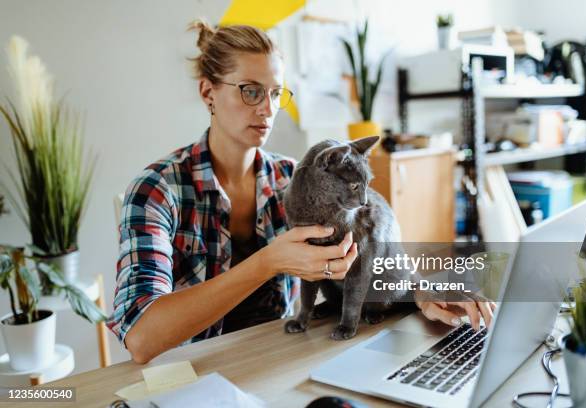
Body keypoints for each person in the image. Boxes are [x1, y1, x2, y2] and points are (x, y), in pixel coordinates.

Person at [107, 21, 495, 365]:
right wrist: (267, 262)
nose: (267, 109)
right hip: (190, 376)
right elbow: (142, 338)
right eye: (250, 91)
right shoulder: (157, 190)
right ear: (208, 92)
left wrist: (422, 293)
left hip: (281, 357)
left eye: (276, 93)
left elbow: (369, 263)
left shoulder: (294, 181)